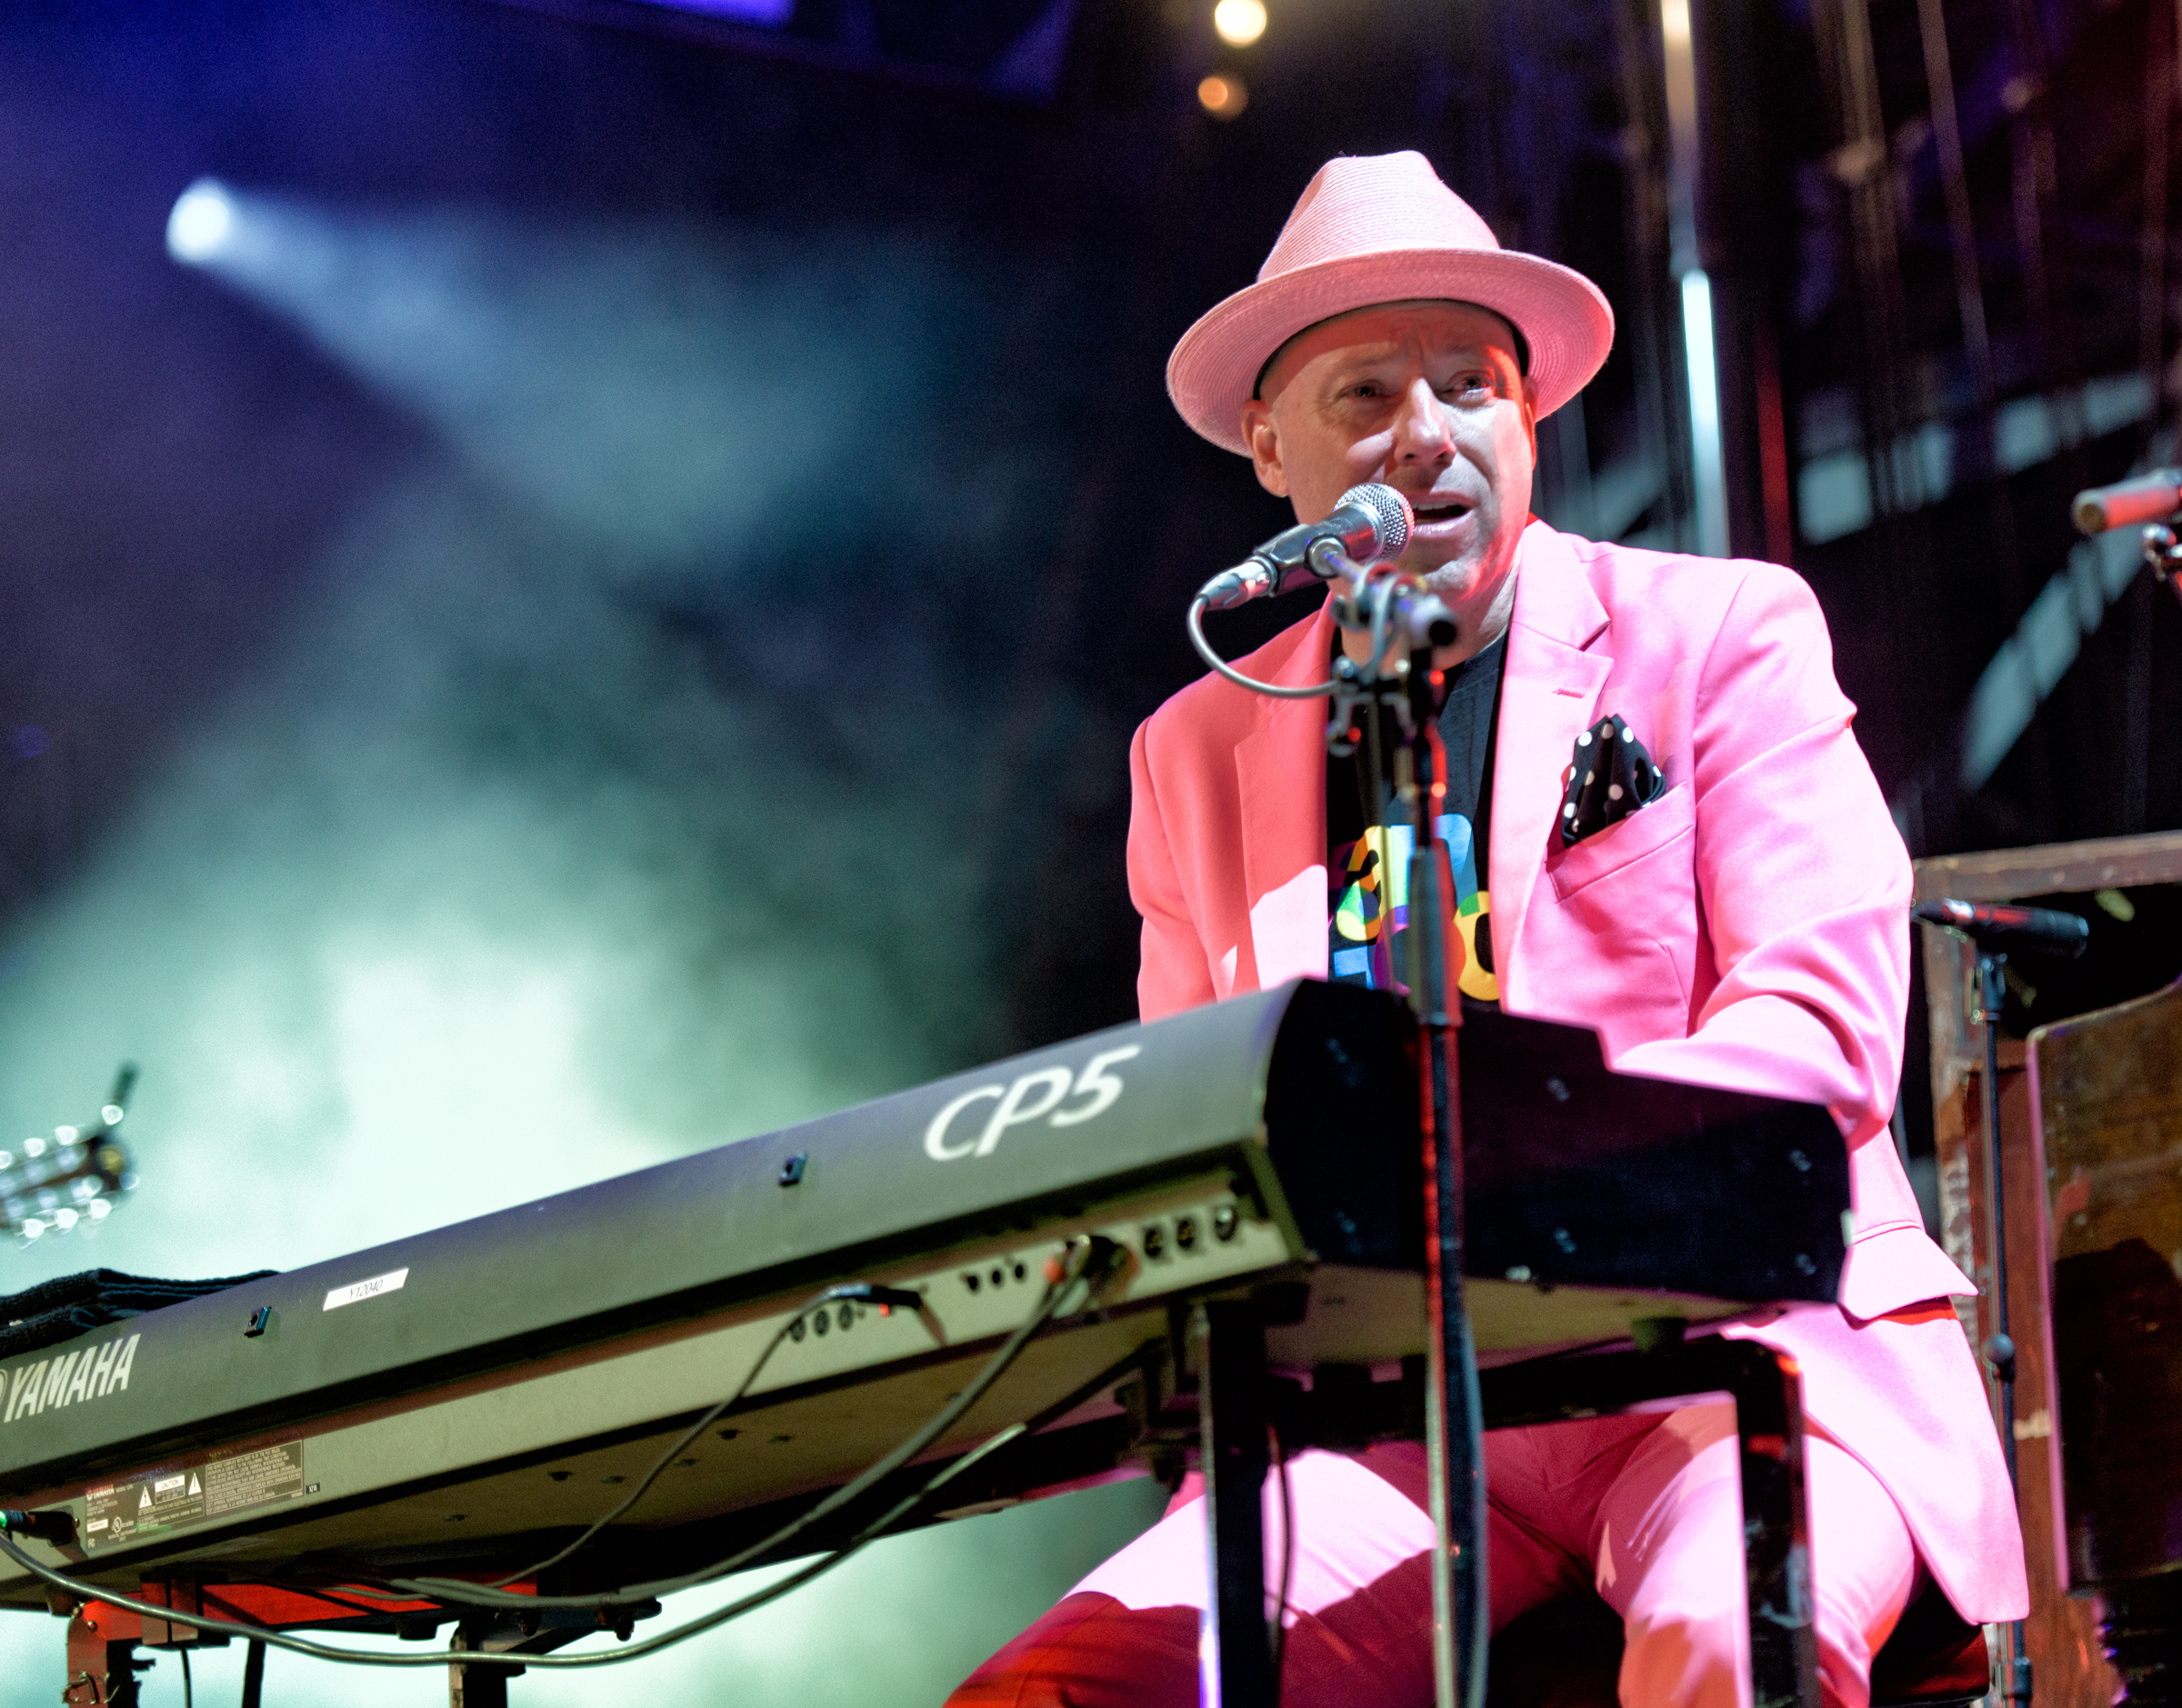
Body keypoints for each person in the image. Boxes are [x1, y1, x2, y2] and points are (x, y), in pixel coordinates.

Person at [947, 151, 2025, 1708]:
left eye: (1471, 382)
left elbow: (1820, 1032)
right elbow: (1193, 1133)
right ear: (1268, 447)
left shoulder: (1723, 633)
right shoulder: (1193, 749)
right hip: (1385, 1424)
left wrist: (1535, 1187)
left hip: (1739, 1357)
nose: (1428, 434)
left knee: (1732, 1643)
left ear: (1527, 415)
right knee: (1057, 1692)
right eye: (1367, 392)